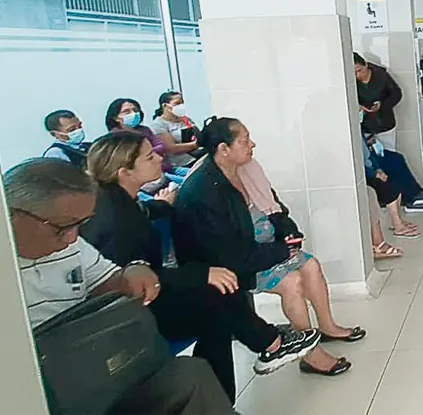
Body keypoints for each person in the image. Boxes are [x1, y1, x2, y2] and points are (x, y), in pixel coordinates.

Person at [81, 132, 321, 404]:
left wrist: (163, 205)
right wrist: (202, 274)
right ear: (124, 172)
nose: (159, 157)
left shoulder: (118, 199)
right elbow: (131, 279)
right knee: (217, 293)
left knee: (218, 307)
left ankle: (223, 397)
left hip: (151, 293)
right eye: (149, 157)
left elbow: (145, 215)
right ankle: (270, 344)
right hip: (132, 313)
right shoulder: (113, 219)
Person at [4, 158, 235, 415]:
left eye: (80, 224)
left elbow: (109, 280)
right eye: (62, 228)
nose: (72, 238)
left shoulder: (72, 246)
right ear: (10, 214)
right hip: (45, 388)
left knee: (190, 375)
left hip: (93, 360)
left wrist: (133, 271)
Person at [173, 117, 364, 377]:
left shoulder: (246, 168)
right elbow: (232, 254)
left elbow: (273, 206)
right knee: (293, 282)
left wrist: (288, 231)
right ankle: (310, 355)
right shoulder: (206, 191)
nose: (252, 144)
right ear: (223, 149)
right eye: (244, 141)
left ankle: (327, 327)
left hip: (262, 247)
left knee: (311, 265)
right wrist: (280, 251)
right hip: (230, 265)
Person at [106, 98, 175, 175]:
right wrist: (149, 152)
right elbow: (132, 157)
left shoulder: (144, 129)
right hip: (147, 174)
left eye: (135, 110)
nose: (133, 113)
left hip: (167, 167)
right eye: (126, 111)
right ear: (116, 117)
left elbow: (161, 146)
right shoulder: (115, 137)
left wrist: (147, 153)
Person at [354, 53, 404, 150]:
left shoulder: (381, 75)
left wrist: (382, 104)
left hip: (385, 123)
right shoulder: (352, 81)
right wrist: (358, 106)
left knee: (389, 153)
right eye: (354, 72)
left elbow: (397, 94)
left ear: (366, 65)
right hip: (365, 126)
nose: (358, 75)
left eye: (360, 70)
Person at [150, 91, 202, 168]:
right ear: (165, 106)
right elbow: (171, 148)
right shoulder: (158, 125)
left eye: (182, 103)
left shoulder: (185, 119)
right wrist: (196, 144)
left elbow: (198, 134)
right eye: (177, 103)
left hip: (197, 156)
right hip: (180, 164)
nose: (181, 106)